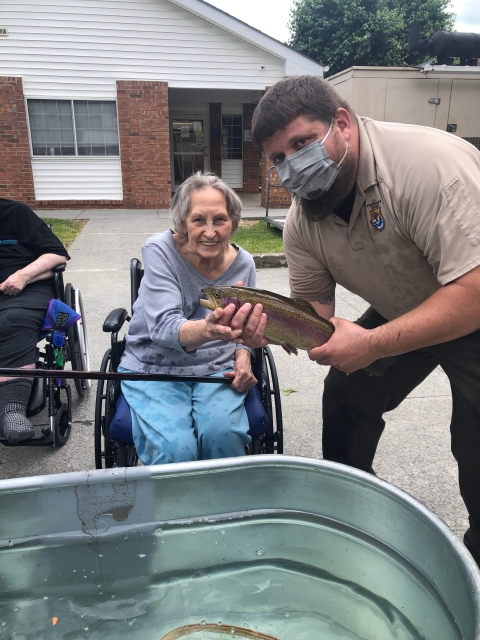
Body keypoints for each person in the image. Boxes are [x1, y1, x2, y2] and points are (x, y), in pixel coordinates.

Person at [224, 74, 480, 567]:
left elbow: (472, 291)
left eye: (301, 143)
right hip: (405, 302)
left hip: (471, 299)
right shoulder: (303, 222)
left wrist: (375, 344)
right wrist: (264, 327)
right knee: (347, 393)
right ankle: (347, 513)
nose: (292, 164)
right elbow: (316, 318)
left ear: (341, 123)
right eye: (279, 158)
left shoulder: (427, 167)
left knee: (474, 444)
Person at [118, 172, 257, 466]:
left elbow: (248, 329)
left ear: (233, 222)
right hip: (154, 366)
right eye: (198, 220)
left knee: (224, 437)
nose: (210, 231)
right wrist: (208, 330)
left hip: (219, 368)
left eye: (219, 219)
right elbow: (164, 328)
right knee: (175, 450)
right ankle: (179, 511)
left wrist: (244, 357)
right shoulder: (160, 250)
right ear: (183, 222)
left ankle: (222, 509)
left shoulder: (244, 263)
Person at [0, 199, 69, 443]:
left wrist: (22, 276)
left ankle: (12, 409)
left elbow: (57, 255)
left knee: (11, 320)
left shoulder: (15, 213)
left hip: (24, 290)